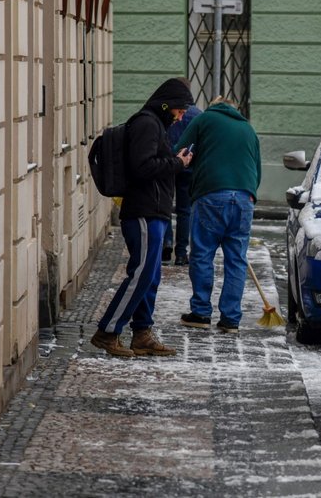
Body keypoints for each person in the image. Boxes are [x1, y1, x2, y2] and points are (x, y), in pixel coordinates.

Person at [90, 77, 195, 357]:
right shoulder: (147, 123)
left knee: (151, 275)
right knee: (142, 274)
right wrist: (177, 163)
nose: (182, 115)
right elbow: (142, 167)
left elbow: (149, 162)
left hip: (153, 211)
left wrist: (173, 159)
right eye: (180, 110)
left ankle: (142, 333)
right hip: (144, 212)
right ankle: (108, 331)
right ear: (166, 104)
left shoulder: (154, 124)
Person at [175, 97, 261, 334]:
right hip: (245, 198)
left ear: (214, 107)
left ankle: (201, 312)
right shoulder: (247, 128)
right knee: (237, 260)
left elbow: (180, 150)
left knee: (202, 254)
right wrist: (249, 196)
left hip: (212, 194)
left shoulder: (204, 119)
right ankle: (231, 318)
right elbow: (258, 170)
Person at [163, 102, 202, 266]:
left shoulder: (168, 112)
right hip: (188, 167)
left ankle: (166, 244)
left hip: (167, 164)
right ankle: (181, 253)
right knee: (184, 211)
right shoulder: (198, 114)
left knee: (164, 206)